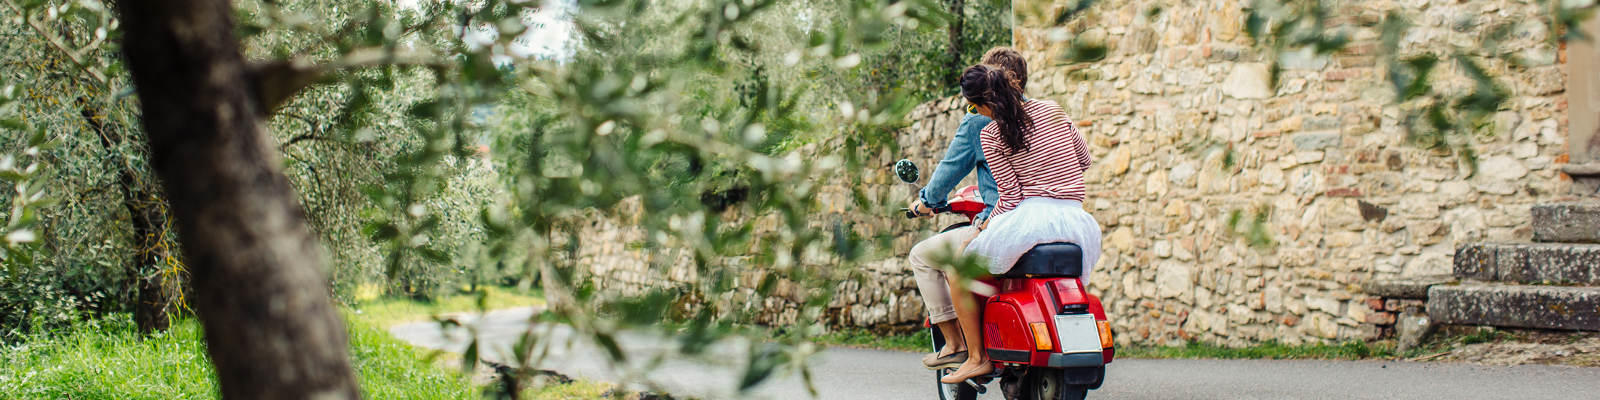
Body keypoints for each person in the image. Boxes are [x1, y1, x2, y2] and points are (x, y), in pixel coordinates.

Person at [938, 63, 1103, 384]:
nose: (975, 112)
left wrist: (982, 229)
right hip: (1078, 222)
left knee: (958, 268)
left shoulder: (991, 134)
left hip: (1030, 220)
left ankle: (976, 358)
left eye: (973, 107)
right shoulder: (1054, 110)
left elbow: (1010, 197)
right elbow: (1084, 160)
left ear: (983, 104)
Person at [906, 48, 1029, 371]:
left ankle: (957, 345)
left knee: (922, 255)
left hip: (999, 219)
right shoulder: (1040, 114)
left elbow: (950, 169)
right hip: (1044, 218)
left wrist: (926, 202)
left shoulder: (979, 122)